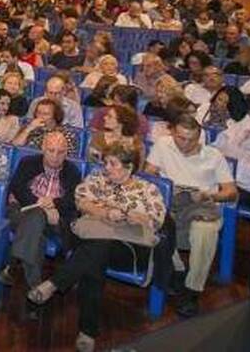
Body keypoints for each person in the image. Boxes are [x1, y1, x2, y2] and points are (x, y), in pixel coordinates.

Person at [27, 143, 167, 352]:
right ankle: (87, 331)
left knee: (94, 253)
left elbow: (156, 220)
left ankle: (55, 284)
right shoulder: (96, 178)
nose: (106, 167)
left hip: (128, 248)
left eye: (113, 164)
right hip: (95, 239)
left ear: (128, 168)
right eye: (106, 162)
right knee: (96, 255)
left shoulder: (148, 189)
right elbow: (81, 201)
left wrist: (127, 214)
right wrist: (105, 213)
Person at [145, 115, 238, 317]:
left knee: (204, 231)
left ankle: (193, 289)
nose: (185, 144)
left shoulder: (213, 155)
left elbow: (231, 192)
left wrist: (209, 195)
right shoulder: (163, 145)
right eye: (180, 138)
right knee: (157, 221)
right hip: (173, 202)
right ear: (173, 133)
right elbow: (148, 173)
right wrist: (166, 187)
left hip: (202, 204)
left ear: (199, 138)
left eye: (191, 139)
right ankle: (178, 270)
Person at [0, 131, 81, 293]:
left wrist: (54, 204)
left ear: (66, 153)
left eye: (61, 152)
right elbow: (17, 187)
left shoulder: (73, 171)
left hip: (53, 219)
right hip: (23, 211)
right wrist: (38, 203)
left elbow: (73, 201)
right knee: (36, 224)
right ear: (43, 148)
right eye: (51, 150)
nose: (55, 156)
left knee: (36, 226)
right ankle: (35, 285)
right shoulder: (28, 162)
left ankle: (13, 264)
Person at [212, 101, 250, 213]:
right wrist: (240, 138)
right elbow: (217, 146)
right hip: (232, 181)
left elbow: (248, 176)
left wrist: (230, 156)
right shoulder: (248, 131)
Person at [13, 98, 81, 155]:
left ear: (55, 116)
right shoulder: (29, 128)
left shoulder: (66, 134)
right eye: (38, 113)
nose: (40, 117)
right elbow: (14, 148)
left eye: (46, 114)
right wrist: (29, 129)